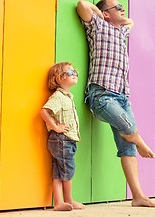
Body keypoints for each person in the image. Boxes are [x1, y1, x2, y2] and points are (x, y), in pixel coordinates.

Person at [77, 0, 155, 208]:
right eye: (118, 7)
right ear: (105, 13)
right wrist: (101, 15)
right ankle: (141, 142)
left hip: (122, 96)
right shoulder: (97, 26)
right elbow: (82, 5)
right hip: (101, 95)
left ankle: (138, 196)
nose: (123, 10)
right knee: (131, 130)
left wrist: (119, 17)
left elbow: (131, 22)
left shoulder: (121, 32)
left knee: (127, 147)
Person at [40, 62, 85, 211]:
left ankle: (58, 202)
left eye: (75, 71)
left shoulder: (67, 97)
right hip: (62, 139)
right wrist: (56, 127)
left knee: (59, 172)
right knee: (68, 170)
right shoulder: (58, 96)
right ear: (59, 78)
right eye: (70, 72)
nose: (75, 74)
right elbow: (44, 112)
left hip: (64, 140)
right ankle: (69, 200)